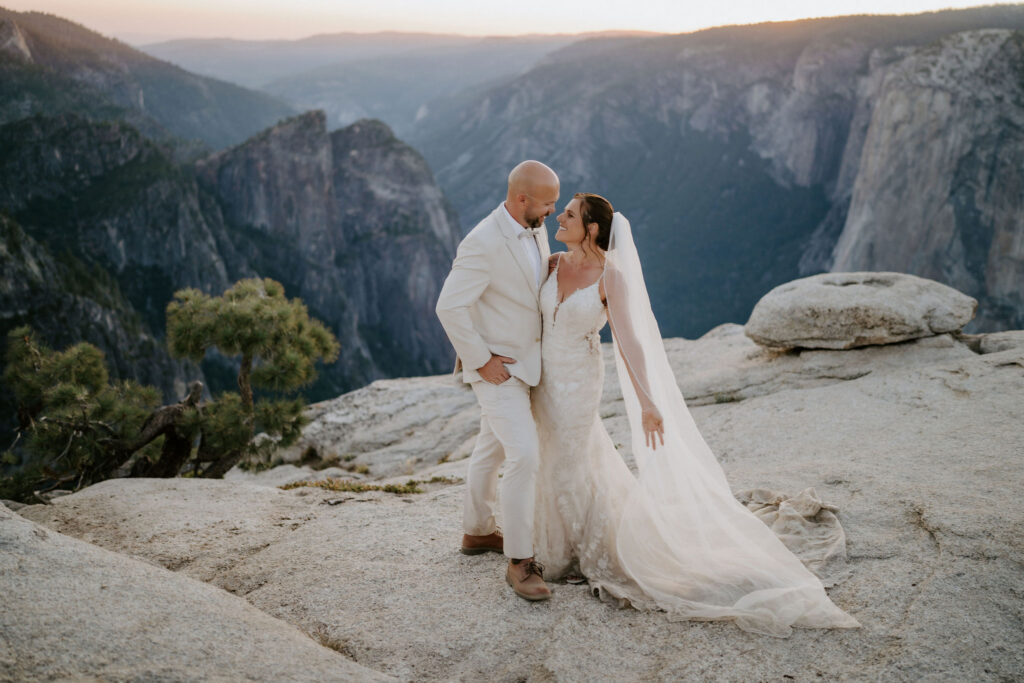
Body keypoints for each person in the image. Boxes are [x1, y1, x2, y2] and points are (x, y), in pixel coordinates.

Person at [531, 192, 862, 636]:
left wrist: (649, 402)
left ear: (591, 228)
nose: (559, 219)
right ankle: (543, 537)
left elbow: (630, 342)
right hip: (543, 379)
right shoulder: (553, 263)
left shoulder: (612, 278)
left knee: (570, 454)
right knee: (543, 452)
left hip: (578, 380)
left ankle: (571, 549)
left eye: (569, 215)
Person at [435, 160, 558, 601]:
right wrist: (481, 360)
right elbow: (448, 307)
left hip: (530, 364)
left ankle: (477, 531)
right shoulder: (482, 242)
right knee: (524, 455)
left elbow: (526, 284)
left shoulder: (534, 226)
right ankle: (520, 563)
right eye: (546, 204)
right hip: (499, 369)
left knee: (490, 450)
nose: (552, 213)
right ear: (521, 198)